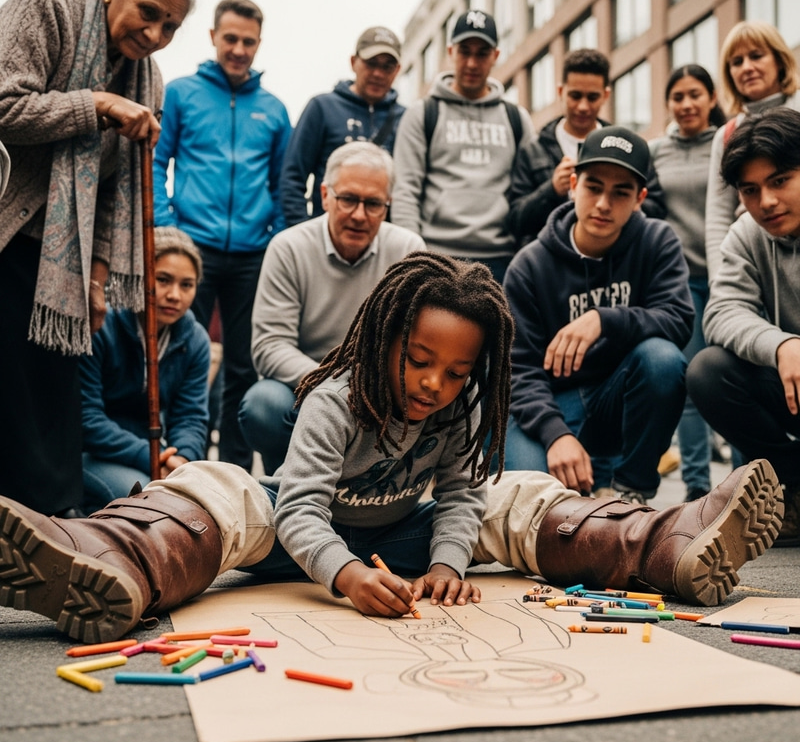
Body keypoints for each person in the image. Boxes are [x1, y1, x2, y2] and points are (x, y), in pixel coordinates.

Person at [0, 253, 784, 644]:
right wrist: (342, 574)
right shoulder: (334, 397)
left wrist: (447, 561)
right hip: (296, 536)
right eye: (419, 361)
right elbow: (300, 511)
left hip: (398, 535)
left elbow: (460, 496)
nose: (435, 385)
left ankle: (663, 543)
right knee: (224, 487)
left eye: (458, 373)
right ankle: (110, 558)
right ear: (384, 339)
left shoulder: (457, 404)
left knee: (510, 491)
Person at [0, 0, 194, 518]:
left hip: (63, 260)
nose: (155, 35)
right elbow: (4, 104)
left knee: (52, 400)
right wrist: (97, 104)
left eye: (171, 27)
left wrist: (97, 279)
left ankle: (47, 528)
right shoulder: (46, 8)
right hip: (6, 233)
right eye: (148, 12)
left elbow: (117, 191)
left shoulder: (148, 80)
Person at [503, 125, 694, 502]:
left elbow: (677, 319)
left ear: (639, 198)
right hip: (553, 403)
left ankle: (631, 492)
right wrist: (555, 434)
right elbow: (518, 369)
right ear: (573, 185)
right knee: (530, 500)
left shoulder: (656, 241)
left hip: (617, 399)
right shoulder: (529, 265)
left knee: (663, 359)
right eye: (594, 187)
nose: (604, 204)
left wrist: (604, 319)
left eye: (620, 192)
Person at [153, 0, 292, 472]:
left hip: (253, 255)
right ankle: (174, 459)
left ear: (259, 43)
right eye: (230, 38)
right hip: (192, 249)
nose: (238, 49)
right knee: (178, 355)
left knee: (242, 366)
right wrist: (168, 229)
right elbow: (157, 162)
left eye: (248, 41)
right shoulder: (180, 94)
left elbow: (283, 182)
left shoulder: (274, 110)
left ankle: (233, 472)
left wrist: (276, 238)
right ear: (213, 36)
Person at [239, 142, 424, 474]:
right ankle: (287, 484)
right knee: (263, 405)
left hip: (380, 392)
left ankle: (365, 487)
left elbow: (413, 343)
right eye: (348, 199)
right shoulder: (288, 248)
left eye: (373, 204)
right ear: (325, 195)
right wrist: (338, 388)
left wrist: (371, 390)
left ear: (388, 205)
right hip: (304, 385)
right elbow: (270, 346)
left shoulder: (408, 249)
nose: (359, 215)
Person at [687, 107, 800, 547]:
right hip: (791, 378)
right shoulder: (747, 234)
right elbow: (721, 311)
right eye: (750, 190)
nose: (765, 201)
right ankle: (793, 487)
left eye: (779, 181)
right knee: (708, 370)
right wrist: (782, 346)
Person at [391, 10, 535, 283]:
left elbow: (528, 194)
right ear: (450, 52)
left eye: (482, 53)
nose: (471, 62)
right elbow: (406, 191)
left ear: (495, 55)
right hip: (435, 256)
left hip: (501, 259)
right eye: (464, 51)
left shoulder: (517, 119)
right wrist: (412, 260)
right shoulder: (422, 113)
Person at [80, 227, 210, 512]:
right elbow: (86, 419)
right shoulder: (101, 325)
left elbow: (190, 416)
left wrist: (181, 460)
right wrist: (153, 457)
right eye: (163, 280)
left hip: (157, 453)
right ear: (138, 276)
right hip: (91, 452)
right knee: (146, 500)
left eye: (186, 285)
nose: (174, 295)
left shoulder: (196, 339)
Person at [649, 65, 727, 503]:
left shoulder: (727, 141)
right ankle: (697, 484)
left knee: (739, 375)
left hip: (730, 275)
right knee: (691, 381)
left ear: (711, 97)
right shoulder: (656, 151)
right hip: (681, 283)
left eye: (695, 94)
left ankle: (748, 477)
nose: (686, 104)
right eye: (677, 96)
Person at [506, 48, 665, 247]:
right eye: (575, 96)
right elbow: (515, 221)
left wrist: (623, 201)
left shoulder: (629, 149)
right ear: (561, 92)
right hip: (552, 258)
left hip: (614, 258)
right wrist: (551, 190)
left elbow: (656, 208)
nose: (583, 106)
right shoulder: (533, 150)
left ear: (605, 95)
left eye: (592, 97)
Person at [279, 26, 405, 227]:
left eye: (387, 67)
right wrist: (305, 230)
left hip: (381, 238)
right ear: (353, 62)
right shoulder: (322, 108)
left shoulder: (405, 118)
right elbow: (292, 178)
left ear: (397, 70)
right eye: (371, 63)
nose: (378, 73)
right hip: (327, 233)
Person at [705, 21, 800, 281]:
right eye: (737, 62)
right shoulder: (725, 136)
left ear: (779, 60)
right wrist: (721, 281)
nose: (747, 67)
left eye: (756, 56)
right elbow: (717, 219)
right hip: (755, 265)